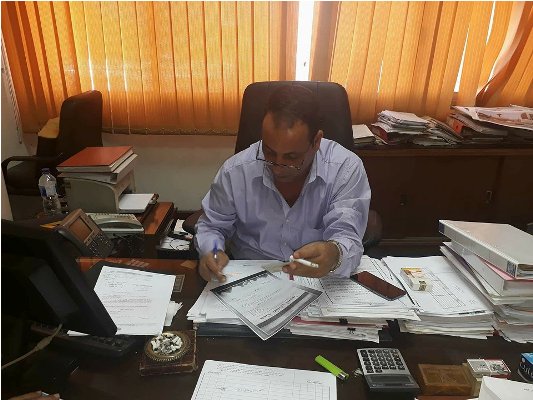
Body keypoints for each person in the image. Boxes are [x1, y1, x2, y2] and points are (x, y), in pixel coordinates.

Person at [195, 84, 370, 282]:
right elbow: (213, 227)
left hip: (318, 278)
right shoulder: (236, 171)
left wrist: (334, 254)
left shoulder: (345, 169)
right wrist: (213, 251)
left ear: (316, 141)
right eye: (269, 152)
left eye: (292, 157)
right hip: (251, 278)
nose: (277, 168)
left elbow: (347, 235)